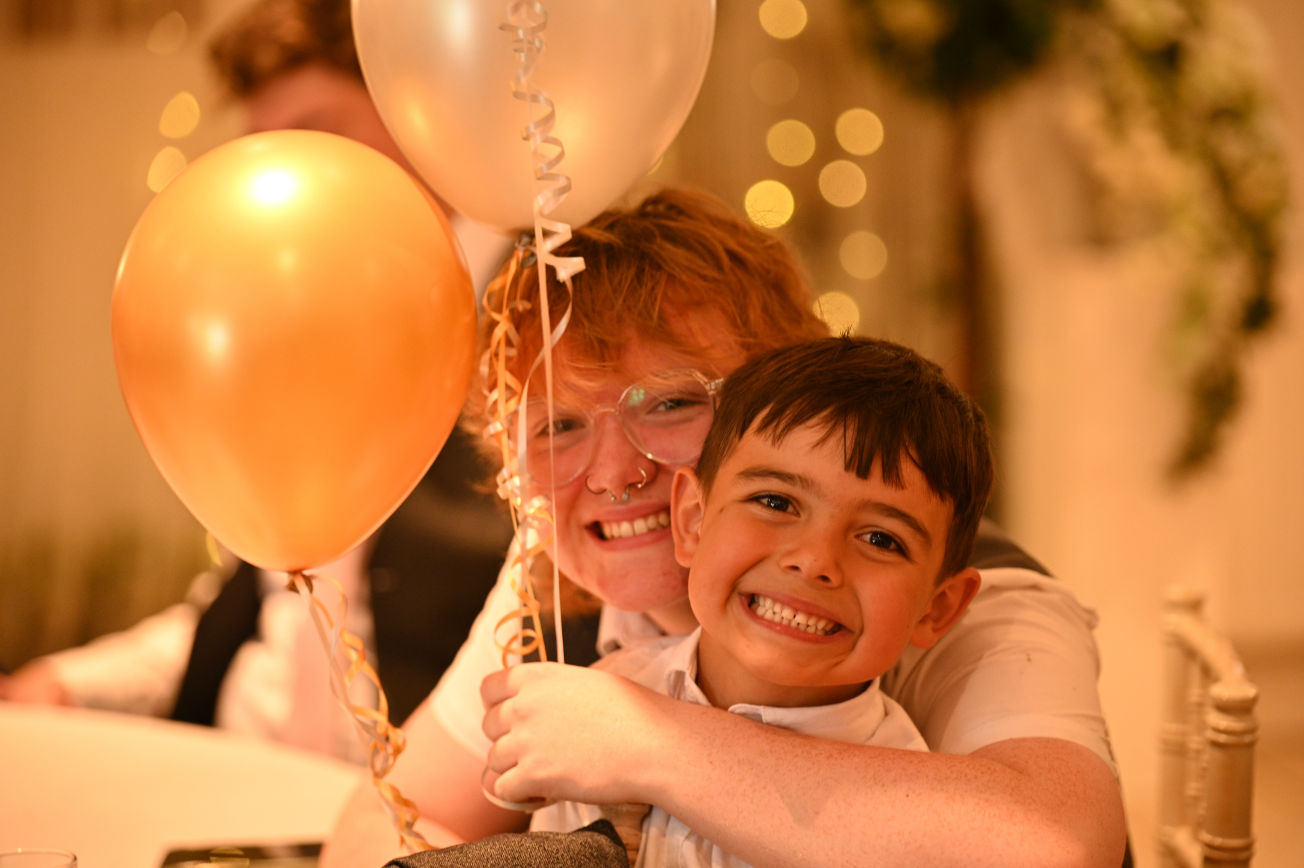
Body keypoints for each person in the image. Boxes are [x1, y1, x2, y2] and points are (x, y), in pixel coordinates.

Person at [323, 186, 1127, 867]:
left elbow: (1052, 842)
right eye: (557, 426)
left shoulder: (968, 603)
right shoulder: (550, 585)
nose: (612, 474)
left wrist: (646, 741)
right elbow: (385, 820)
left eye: (672, 403)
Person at [0, 0, 514, 763]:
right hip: (234, 774)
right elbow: (272, 601)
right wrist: (71, 682)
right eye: (266, 147)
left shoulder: (536, 312)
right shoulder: (293, 320)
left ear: (417, 110)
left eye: (321, 131)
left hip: (419, 794)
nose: (292, 172)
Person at [522, 335, 994, 867]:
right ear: (693, 520)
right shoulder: (607, 702)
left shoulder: (915, 813)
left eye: (881, 539)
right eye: (775, 502)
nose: (815, 560)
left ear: (938, 608)